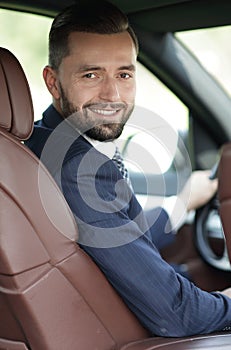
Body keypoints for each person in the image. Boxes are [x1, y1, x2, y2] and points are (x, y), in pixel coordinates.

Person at [25, 0, 231, 337]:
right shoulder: (77, 170)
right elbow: (178, 315)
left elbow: (118, 234)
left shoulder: (38, 145)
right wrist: (225, 303)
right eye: (91, 74)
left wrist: (181, 203)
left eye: (124, 74)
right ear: (53, 82)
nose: (113, 94)